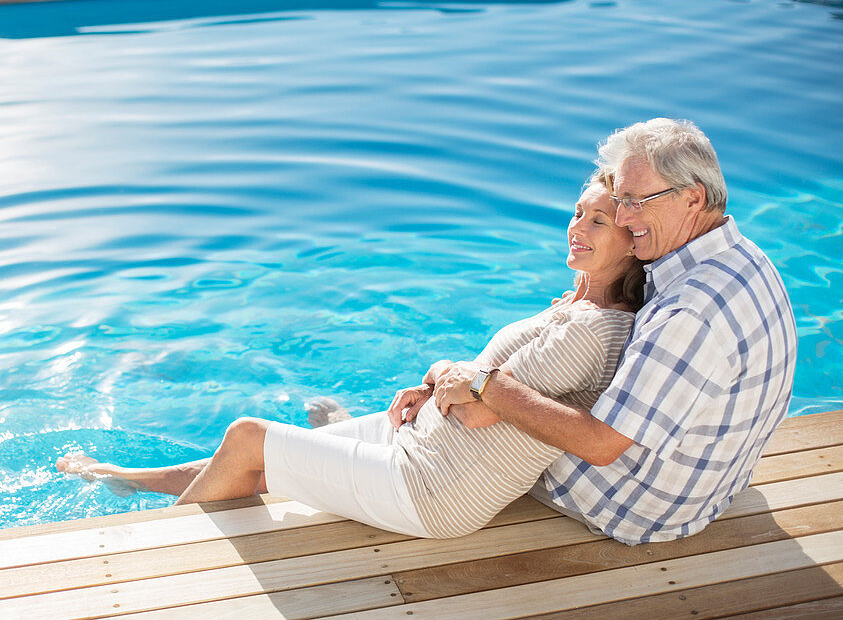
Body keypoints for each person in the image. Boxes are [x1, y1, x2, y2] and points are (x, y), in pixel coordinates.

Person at [57, 174, 644, 539]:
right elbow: (480, 386)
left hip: (433, 490)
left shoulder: (592, 331)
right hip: (423, 451)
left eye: (599, 222)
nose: (577, 228)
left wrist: (450, 378)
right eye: (577, 212)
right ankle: (124, 480)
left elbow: (480, 408)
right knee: (247, 461)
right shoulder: (573, 307)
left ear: (631, 243)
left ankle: (161, 553)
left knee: (248, 438)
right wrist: (445, 381)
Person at [432, 118, 796, 544]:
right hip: (711, 491)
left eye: (637, 202)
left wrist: (481, 385)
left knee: (484, 406)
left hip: (635, 506)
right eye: (621, 200)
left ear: (693, 198)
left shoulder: (688, 312)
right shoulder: (745, 258)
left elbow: (600, 445)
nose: (624, 216)